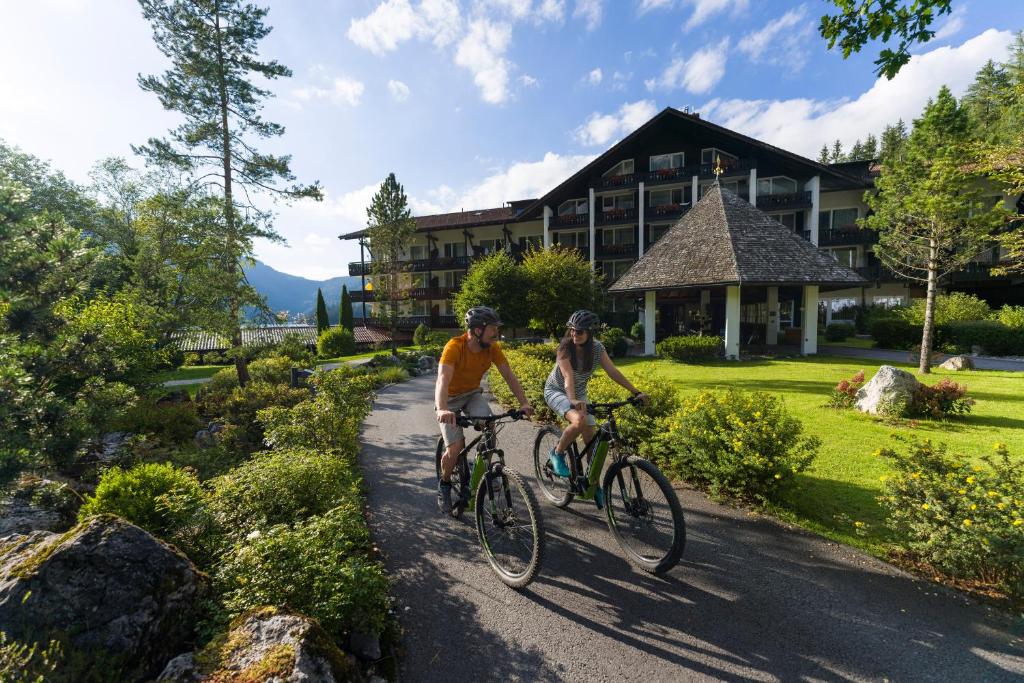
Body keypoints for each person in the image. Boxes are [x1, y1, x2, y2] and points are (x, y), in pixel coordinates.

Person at [435, 306, 533, 512]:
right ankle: (444, 483)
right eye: (493, 329)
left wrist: (524, 403)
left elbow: (509, 376)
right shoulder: (454, 346)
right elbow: (442, 379)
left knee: (490, 425)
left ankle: (485, 471)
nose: (497, 334)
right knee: (454, 448)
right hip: (449, 400)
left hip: (471, 395)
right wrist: (442, 408)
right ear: (478, 330)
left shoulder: (492, 348)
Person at [543, 310, 647, 490]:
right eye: (573, 330)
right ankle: (557, 453)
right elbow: (568, 376)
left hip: (578, 393)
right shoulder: (565, 348)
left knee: (591, 437)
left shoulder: (597, 348)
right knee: (579, 420)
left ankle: (592, 483)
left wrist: (636, 392)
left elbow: (612, 371)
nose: (575, 334)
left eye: (580, 331)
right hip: (557, 391)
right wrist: (573, 399)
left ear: (590, 333)